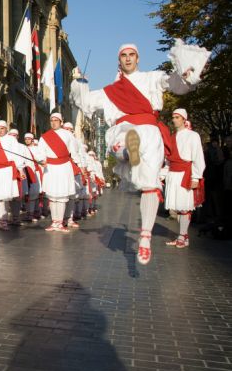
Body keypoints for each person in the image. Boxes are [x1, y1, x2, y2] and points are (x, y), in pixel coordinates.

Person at [69, 41, 209, 264]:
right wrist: (77, 86)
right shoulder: (110, 91)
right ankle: (125, 151)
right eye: (123, 55)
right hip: (126, 128)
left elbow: (173, 82)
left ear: (137, 58)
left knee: (151, 186)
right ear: (119, 60)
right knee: (123, 137)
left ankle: (145, 236)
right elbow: (86, 101)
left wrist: (187, 74)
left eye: (131, 54)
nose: (127, 58)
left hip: (151, 133)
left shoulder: (151, 78)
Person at [164, 109, 205, 248]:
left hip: (185, 173)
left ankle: (182, 236)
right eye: (173, 117)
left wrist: (196, 177)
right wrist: (163, 175)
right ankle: (183, 236)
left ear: (183, 119)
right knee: (177, 207)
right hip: (173, 174)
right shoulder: (172, 136)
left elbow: (198, 157)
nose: (174, 120)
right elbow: (168, 160)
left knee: (185, 206)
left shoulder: (193, 136)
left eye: (177, 117)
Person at [36, 113, 77, 233]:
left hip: (64, 167)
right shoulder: (45, 136)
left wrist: (81, 166)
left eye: (56, 120)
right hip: (50, 168)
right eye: (51, 120)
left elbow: (74, 152)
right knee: (53, 197)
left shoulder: (68, 135)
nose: (53, 122)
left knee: (62, 196)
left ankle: (60, 222)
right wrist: (41, 160)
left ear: (61, 121)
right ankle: (54, 222)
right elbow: (40, 152)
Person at [0, 120, 27, 230]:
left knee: (6, 196)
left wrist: (21, 170)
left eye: (2, 128)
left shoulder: (11, 139)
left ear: (6, 129)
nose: (0, 130)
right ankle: (2, 222)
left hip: (8, 170)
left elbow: (17, 156)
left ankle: (6, 220)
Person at [23, 132, 43, 222]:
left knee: (35, 193)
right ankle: (29, 213)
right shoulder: (23, 148)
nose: (27, 140)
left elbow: (41, 159)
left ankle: (36, 212)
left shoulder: (37, 149)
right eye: (26, 139)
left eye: (28, 138)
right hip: (25, 172)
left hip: (35, 172)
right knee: (28, 194)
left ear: (32, 139)